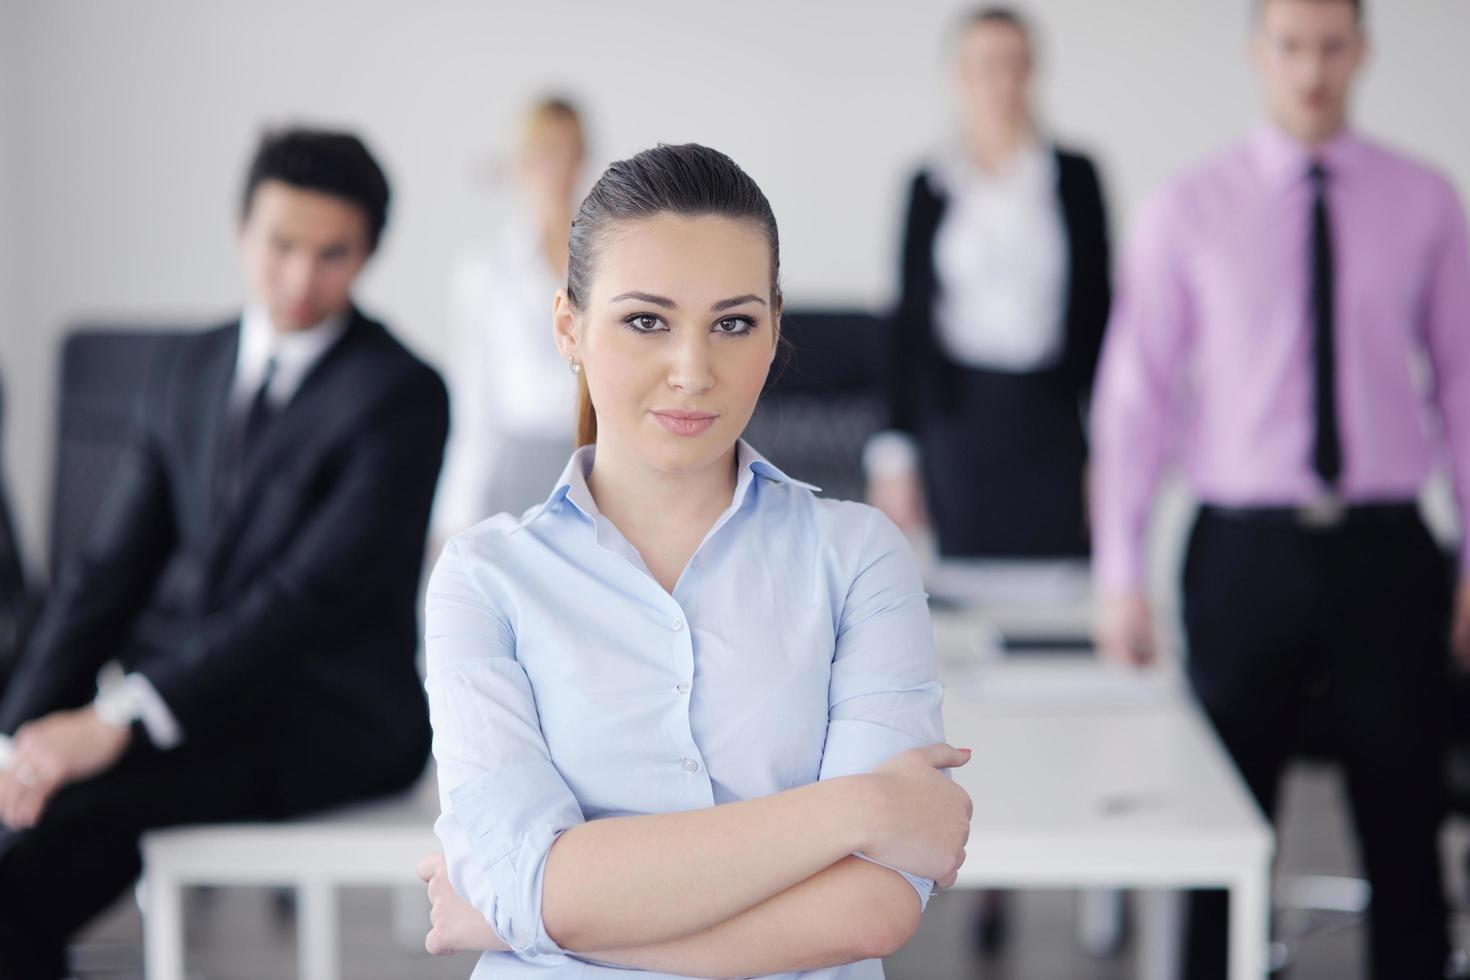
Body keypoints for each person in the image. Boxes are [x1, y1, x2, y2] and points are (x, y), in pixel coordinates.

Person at [414, 143, 973, 977]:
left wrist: (525, 918)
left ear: (775, 330)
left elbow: (873, 906)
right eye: (647, 320)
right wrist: (860, 808)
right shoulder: (482, 576)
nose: (692, 370)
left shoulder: (859, 557)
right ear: (568, 327)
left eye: (733, 324)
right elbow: (527, 884)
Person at [0, 128, 449, 977]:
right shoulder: (189, 366)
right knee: (22, 818)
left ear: (370, 253)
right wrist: (18, 733)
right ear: (242, 230)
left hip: (326, 718)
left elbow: (302, 599)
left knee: (44, 850)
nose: (299, 280)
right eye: (281, 246)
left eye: (333, 254)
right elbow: (108, 571)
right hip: (195, 702)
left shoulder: (402, 394)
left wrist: (116, 719)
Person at [1091, 0, 1470, 976]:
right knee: (1221, 827)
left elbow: (1466, 383)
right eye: (1292, 47)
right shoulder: (1190, 205)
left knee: (1404, 822)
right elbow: (1135, 398)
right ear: (1260, 56)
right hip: (1240, 552)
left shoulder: (1426, 200)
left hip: (1388, 549)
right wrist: (1119, 572)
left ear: (1362, 53)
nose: (1313, 69)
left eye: (1332, 47)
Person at [869, 5, 1111, 559]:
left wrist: (1112, 448)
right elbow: (907, 320)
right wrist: (893, 454)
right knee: (965, 581)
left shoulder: (1075, 178)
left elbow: (1100, 313)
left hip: (1051, 414)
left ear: (1032, 72)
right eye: (983, 65)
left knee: (1059, 579)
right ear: (958, 76)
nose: (1000, 81)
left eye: (1013, 63)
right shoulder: (928, 184)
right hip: (958, 417)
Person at [433, 97, 587, 541]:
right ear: (520, 164)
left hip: (598, 454)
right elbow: (474, 402)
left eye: (569, 151)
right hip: (521, 463)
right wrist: (454, 519)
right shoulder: (485, 273)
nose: (557, 168)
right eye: (544, 153)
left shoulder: (609, 266)